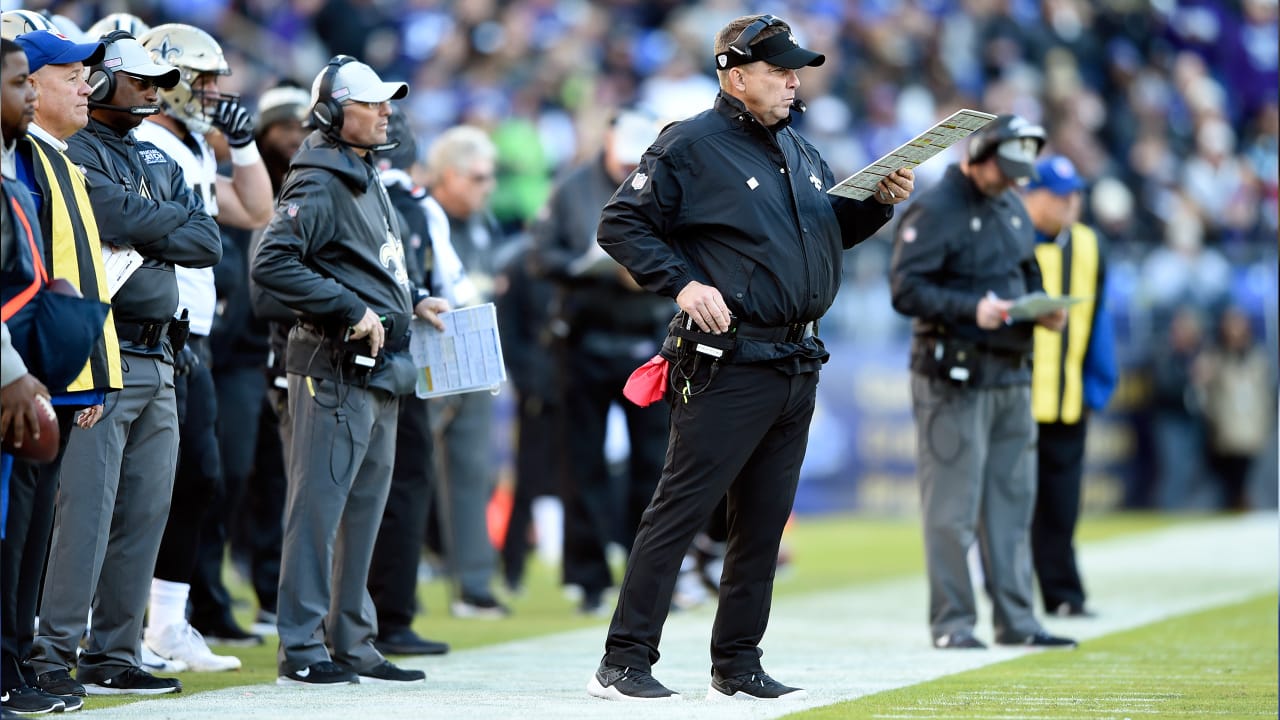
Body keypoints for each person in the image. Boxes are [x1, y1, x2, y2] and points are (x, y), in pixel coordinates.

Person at [588, 14, 912, 701]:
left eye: (796, 70)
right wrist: (683, 281)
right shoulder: (690, 145)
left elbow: (823, 234)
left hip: (796, 359)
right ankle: (622, 663)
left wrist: (876, 207)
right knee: (679, 513)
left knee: (762, 527)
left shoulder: (799, 148)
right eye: (779, 70)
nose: (795, 80)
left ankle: (736, 666)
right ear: (735, 76)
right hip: (727, 361)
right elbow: (620, 222)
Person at [27, 30, 220, 698]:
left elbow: (207, 240)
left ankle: (114, 649)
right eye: (138, 80)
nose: (152, 91)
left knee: (145, 513)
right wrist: (157, 222)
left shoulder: (153, 154)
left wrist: (146, 222)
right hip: (103, 348)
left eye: (156, 82)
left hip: (161, 352)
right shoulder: (71, 149)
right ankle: (52, 652)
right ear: (101, 81)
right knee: (85, 515)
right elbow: (108, 212)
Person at [251, 55, 448, 686]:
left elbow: (373, 262)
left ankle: (353, 642)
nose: (386, 110)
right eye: (372, 102)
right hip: (333, 366)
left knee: (362, 515)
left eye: (387, 101)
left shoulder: (361, 170)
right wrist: (350, 308)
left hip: (378, 368)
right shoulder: (318, 178)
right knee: (316, 514)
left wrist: (411, 298)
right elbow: (273, 264)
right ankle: (302, 648)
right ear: (336, 111)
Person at [889, 113, 1076, 652]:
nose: (1015, 181)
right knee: (952, 507)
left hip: (1011, 374)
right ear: (980, 156)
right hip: (954, 376)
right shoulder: (937, 207)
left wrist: (1042, 309)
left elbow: (1028, 273)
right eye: (1006, 170)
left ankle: (1017, 619)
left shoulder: (1012, 206)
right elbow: (906, 290)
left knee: (1013, 503)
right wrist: (975, 308)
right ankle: (952, 623)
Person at [133, 22, 274, 671]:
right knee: (148, 486)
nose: (217, 89)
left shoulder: (190, 145)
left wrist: (242, 147)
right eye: (205, 76)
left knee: (199, 481)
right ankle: (119, 622)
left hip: (193, 338)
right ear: (171, 77)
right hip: (150, 332)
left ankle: (166, 621)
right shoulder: (143, 142)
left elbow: (255, 210)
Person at [4, 29, 118, 714]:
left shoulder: (59, 161)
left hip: (55, 370)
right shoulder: (28, 163)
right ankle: (15, 665)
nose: (86, 86)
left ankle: (21, 661)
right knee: (17, 528)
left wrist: (91, 372)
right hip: (27, 373)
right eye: (67, 74)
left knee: (34, 529)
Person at [527, 108, 674, 615]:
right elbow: (541, 256)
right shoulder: (571, 189)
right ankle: (588, 578)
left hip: (647, 343)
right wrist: (589, 269)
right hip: (584, 340)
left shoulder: (664, 182)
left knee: (654, 468)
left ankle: (650, 579)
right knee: (582, 464)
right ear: (609, 142)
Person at [367, 109, 449, 656]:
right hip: (380, 355)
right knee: (388, 487)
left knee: (371, 488)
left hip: (377, 354)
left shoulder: (374, 195)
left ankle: (364, 620)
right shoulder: (410, 204)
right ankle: (383, 618)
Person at [420, 125, 511, 618]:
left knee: (474, 472)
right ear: (448, 176)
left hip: (474, 358)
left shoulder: (480, 220)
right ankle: (389, 588)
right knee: (406, 473)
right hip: (427, 357)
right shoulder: (422, 214)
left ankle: (474, 585)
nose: (488, 185)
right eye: (478, 177)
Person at [1022, 155, 1117, 618]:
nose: (1070, 203)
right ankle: (1011, 599)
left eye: (1075, 193)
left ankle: (1063, 595)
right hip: (1015, 400)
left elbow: (1099, 320)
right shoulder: (1011, 238)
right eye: (1060, 194)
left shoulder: (1088, 246)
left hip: (1068, 398)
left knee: (1062, 507)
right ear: (1031, 195)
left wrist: (1099, 385)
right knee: (1012, 506)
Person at [1198, 305, 1274, 510]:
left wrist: (1264, 422)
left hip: (1251, 426)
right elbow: (1206, 394)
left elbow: (1264, 395)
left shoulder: (1257, 356)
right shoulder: (1217, 356)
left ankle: (1245, 504)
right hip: (1225, 428)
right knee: (1227, 480)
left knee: (1248, 476)